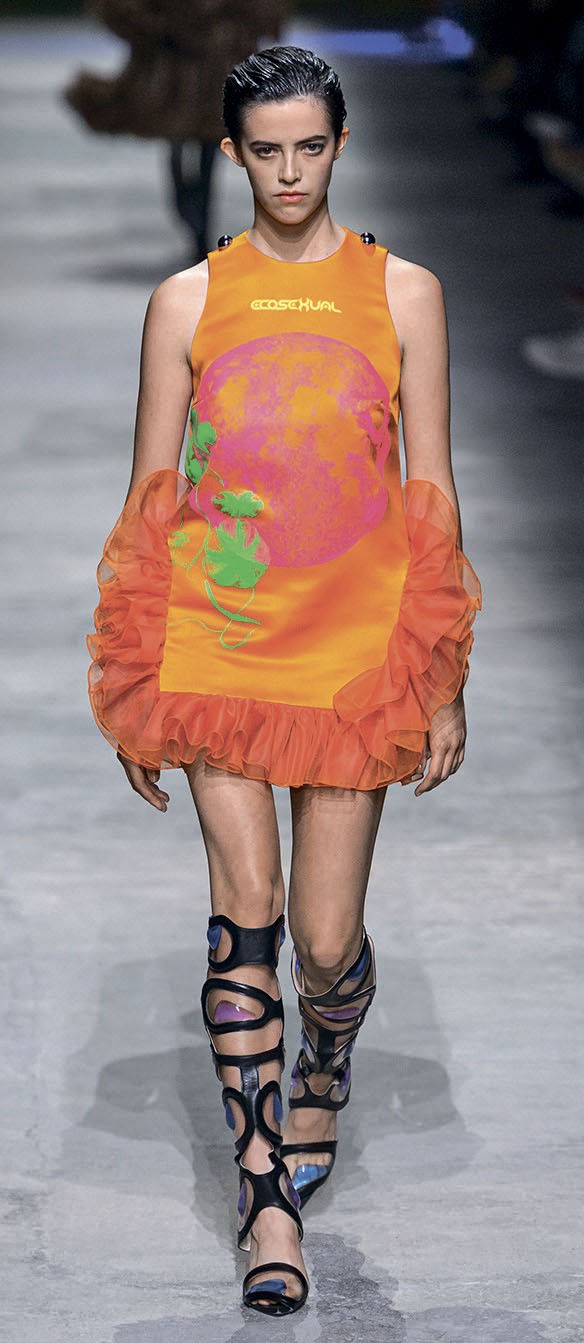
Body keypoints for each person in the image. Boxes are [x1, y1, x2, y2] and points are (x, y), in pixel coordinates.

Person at [87, 45, 481, 1317]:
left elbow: (429, 490)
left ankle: (326, 1060)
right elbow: (152, 493)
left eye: (310, 147)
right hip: (218, 636)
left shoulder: (404, 293)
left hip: (354, 653)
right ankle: (265, 1198)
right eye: (267, 150)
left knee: (321, 941)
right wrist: (132, 665)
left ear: (340, 145)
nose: (291, 171)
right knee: (243, 911)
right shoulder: (187, 302)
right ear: (233, 154)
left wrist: (441, 674)